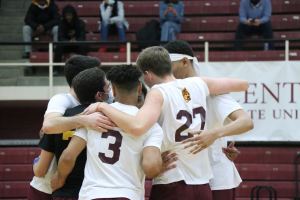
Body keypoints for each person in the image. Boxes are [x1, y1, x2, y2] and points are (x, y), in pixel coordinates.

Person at [83, 46, 249, 200]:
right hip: (203, 185)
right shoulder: (198, 83)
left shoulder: (158, 92)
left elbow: (136, 127)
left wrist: (102, 106)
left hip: (172, 180)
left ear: (147, 74)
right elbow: (243, 84)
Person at [52, 65, 164, 200]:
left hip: (91, 194)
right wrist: (160, 163)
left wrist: (59, 178)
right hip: (127, 194)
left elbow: (68, 156)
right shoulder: (149, 125)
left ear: (114, 90)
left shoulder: (93, 117)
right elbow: (151, 168)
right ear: (140, 88)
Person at [164, 40, 254, 200]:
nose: (166, 71)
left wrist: (215, 134)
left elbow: (246, 122)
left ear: (185, 62)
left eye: (170, 65)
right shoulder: (172, 91)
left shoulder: (212, 90)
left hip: (216, 177)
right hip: (186, 175)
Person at [37, 67, 109, 199]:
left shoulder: (61, 119)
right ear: (99, 95)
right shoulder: (110, 116)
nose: (110, 91)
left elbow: (39, 169)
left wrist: (60, 177)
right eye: (108, 87)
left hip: (64, 191)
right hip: (96, 190)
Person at [41, 55, 114, 135]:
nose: (102, 77)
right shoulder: (61, 99)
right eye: (96, 72)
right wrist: (84, 120)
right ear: (84, 76)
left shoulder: (106, 93)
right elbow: (48, 126)